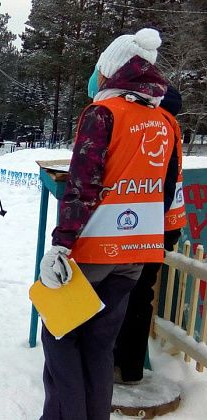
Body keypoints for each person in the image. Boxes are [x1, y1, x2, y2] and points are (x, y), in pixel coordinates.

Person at [38, 28, 178, 420]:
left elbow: (83, 186)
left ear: (112, 71)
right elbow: (166, 190)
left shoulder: (104, 113)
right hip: (135, 254)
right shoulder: (165, 120)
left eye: (98, 70)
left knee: (61, 335)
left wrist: (62, 244)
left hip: (92, 251)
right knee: (100, 345)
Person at [113, 85, 187, 385]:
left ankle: (125, 366)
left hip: (153, 222)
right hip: (164, 221)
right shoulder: (168, 120)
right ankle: (127, 366)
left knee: (133, 294)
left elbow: (159, 180)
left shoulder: (158, 122)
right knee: (138, 294)